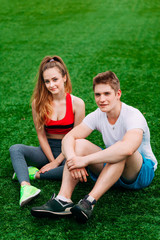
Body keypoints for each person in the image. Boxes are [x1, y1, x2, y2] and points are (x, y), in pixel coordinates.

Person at [31, 71, 157, 223]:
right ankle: (63, 200)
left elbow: (127, 149)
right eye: (98, 95)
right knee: (78, 143)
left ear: (118, 94)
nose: (102, 99)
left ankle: (88, 202)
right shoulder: (98, 114)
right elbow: (68, 138)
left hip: (139, 173)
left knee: (120, 150)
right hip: (111, 171)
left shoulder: (133, 115)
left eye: (107, 94)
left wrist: (84, 161)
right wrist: (73, 160)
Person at [9, 55, 85, 207]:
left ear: (64, 77)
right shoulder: (37, 103)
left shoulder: (77, 103)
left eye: (55, 79)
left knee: (80, 168)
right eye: (47, 81)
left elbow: (77, 138)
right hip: (47, 150)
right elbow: (41, 135)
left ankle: (34, 174)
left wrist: (57, 163)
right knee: (15, 149)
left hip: (68, 150)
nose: (51, 85)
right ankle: (26, 186)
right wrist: (51, 161)